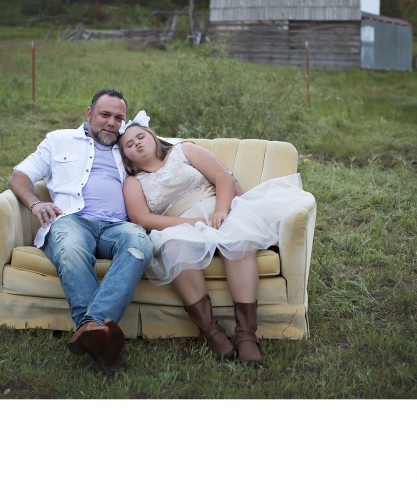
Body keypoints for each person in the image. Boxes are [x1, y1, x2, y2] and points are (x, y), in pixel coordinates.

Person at [119, 111, 309, 365]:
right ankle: (212, 332)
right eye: (129, 145)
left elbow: (223, 177)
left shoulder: (183, 151)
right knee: (173, 248)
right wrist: (189, 223)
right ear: (125, 156)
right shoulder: (133, 182)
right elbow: (143, 219)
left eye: (141, 137)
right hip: (178, 223)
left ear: (153, 137)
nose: (137, 144)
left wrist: (222, 210)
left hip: (220, 208)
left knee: (239, 240)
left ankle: (246, 336)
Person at [8, 89, 153, 375]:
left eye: (119, 118)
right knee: (71, 250)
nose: (112, 123)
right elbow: (19, 176)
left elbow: (171, 154)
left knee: (140, 245)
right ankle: (105, 346)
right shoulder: (59, 140)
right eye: (105, 115)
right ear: (89, 114)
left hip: (118, 226)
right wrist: (35, 203)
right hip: (71, 221)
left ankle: (91, 326)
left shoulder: (129, 146)